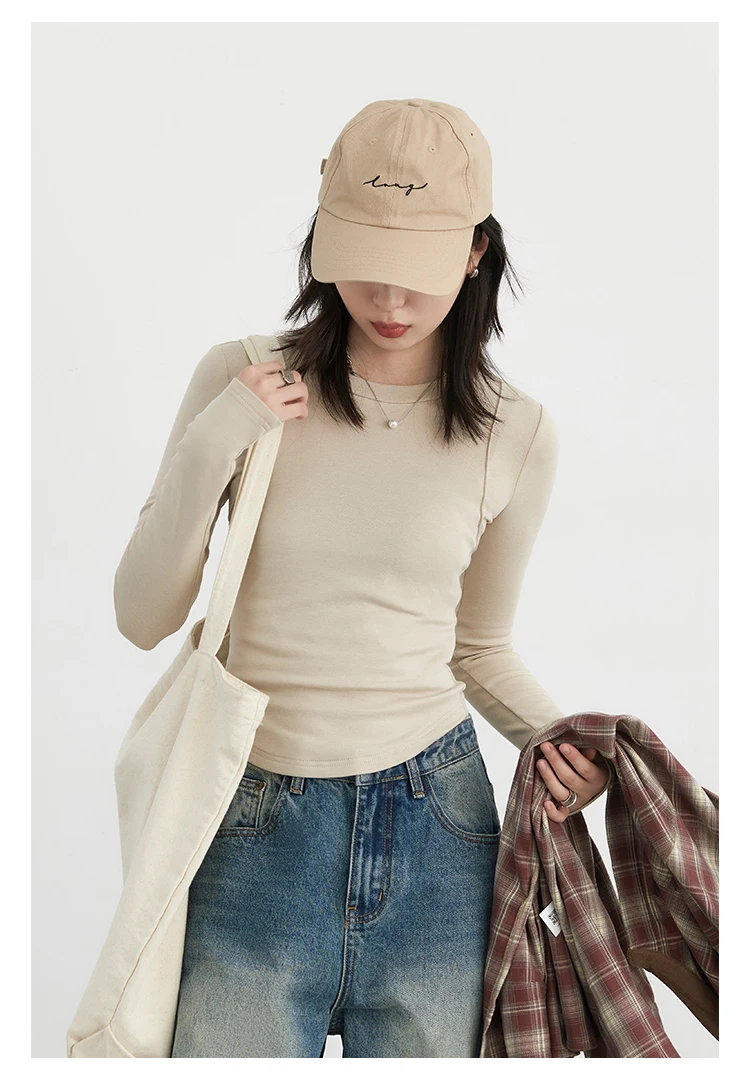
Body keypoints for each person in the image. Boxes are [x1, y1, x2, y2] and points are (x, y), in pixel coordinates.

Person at [113, 98, 610, 1059]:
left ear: (476, 253)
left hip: (440, 834)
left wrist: (558, 745)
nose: (388, 297)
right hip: (253, 824)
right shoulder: (240, 378)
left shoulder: (515, 430)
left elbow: (476, 645)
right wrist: (218, 440)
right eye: (362, 258)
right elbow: (142, 615)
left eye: (418, 268)